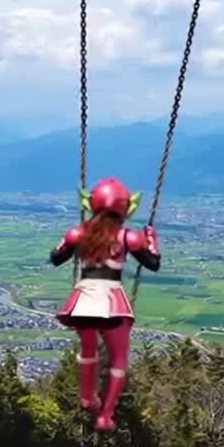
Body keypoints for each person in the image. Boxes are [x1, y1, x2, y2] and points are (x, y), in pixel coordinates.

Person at [49, 176, 161, 430]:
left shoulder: (79, 234)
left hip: (84, 300)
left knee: (88, 349)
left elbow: (56, 258)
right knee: (118, 358)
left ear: (92, 204)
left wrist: (67, 240)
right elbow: (153, 263)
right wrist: (152, 240)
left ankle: (87, 396)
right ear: (126, 209)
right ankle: (106, 414)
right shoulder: (128, 238)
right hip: (112, 301)